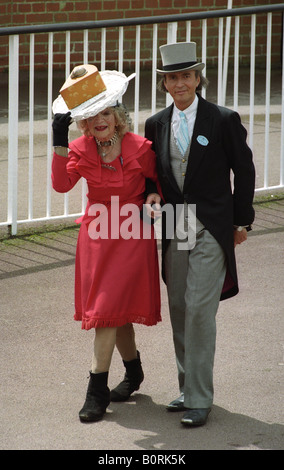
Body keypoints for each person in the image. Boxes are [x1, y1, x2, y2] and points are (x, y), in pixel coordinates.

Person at [144, 42, 255, 427]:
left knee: (199, 310)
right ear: (165, 84)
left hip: (212, 222)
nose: (179, 84)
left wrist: (241, 222)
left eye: (186, 76)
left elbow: (245, 170)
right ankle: (187, 387)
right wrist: (151, 194)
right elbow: (151, 175)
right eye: (172, 78)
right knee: (179, 308)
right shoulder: (155, 124)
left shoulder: (223, 119)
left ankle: (199, 399)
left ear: (198, 78)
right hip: (177, 224)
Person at [51, 67, 161, 423]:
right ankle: (133, 373)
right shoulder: (80, 148)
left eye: (105, 112)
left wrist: (153, 197)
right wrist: (57, 139)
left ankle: (97, 390)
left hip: (131, 233)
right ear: (81, 123)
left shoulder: (138, 147)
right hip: (97, 236)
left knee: (109, 310)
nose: (100, 120)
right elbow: (61, 185)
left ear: (117, 114)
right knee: (114, 311)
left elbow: (157, 182)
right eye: (90, 116)